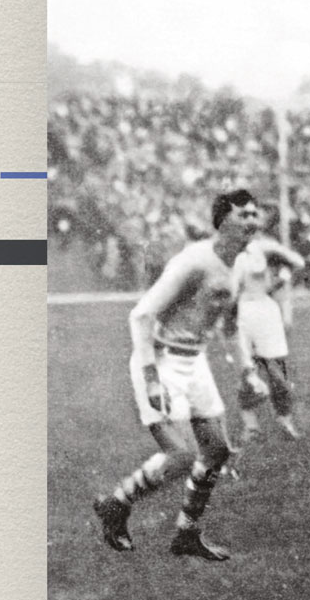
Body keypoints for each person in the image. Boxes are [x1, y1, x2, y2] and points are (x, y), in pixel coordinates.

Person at [91, 188, 261, 562]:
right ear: (222, 221)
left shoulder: (243, 264)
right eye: (243, 214)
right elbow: (141, 314)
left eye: (255, 214)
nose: (253, 220)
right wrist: (151, 376)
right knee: (181, 455)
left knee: (216, 449)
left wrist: (247, 372)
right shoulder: (194, 261)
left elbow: (230, 327)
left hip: (194, 361)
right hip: (161, 360)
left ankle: (187, 534)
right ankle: (116, 504)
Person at [230, 231, 308, 442]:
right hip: (244, 313)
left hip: (267, 313)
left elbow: (298, 262)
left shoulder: (268, 254)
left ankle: (285, 420)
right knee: (248, 372)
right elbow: (233, 291)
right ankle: (250, 425)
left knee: (278, 374)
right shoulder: (238, 258)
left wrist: (276, 256)